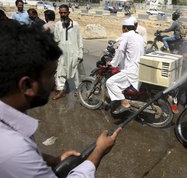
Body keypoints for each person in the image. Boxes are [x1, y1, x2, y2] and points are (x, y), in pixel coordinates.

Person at [0, 21, 122, 177]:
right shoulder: (13, 151)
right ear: (27, 85)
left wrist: (47, 160)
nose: (55, 83)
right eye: (52, 74)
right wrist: (99, 151)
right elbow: (15, 158)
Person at [106, 19, 145, 114]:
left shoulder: (126, 35)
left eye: (122, 28)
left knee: (110, 82)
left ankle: (124, 103)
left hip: (131, 70)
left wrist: (113, 63)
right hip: (140, 68)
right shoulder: (139, 37)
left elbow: (120, 51)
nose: (122, 30)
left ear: (125, 28)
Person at [53, 4, 84, 100]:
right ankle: (61, 90)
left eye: (64, 12)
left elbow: (79, 40)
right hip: (62, 54)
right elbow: (56, 39)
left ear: (68, 13)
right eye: (61, 13)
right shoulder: (58, 25)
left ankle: (78, 90)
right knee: (60, 72)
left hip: (73, 53)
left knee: (75, 73)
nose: (63, 14)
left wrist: (80, 53)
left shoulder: (75, 25)